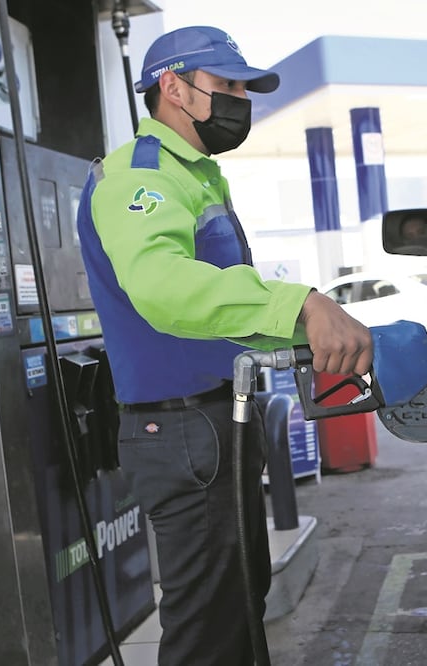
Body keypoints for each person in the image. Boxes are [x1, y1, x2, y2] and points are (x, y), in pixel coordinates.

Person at [75, 26, 372, 665]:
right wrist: (301, 303)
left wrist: (314, 330)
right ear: (174, 88)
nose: (242, 98)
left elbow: (226, 308)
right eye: (228, 85)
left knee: (239, 607)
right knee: (209, 631)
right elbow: (166, 288)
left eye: (245, 86)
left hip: (214, 424)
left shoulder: (198, 178)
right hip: (181, 431)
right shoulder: (138, 175)